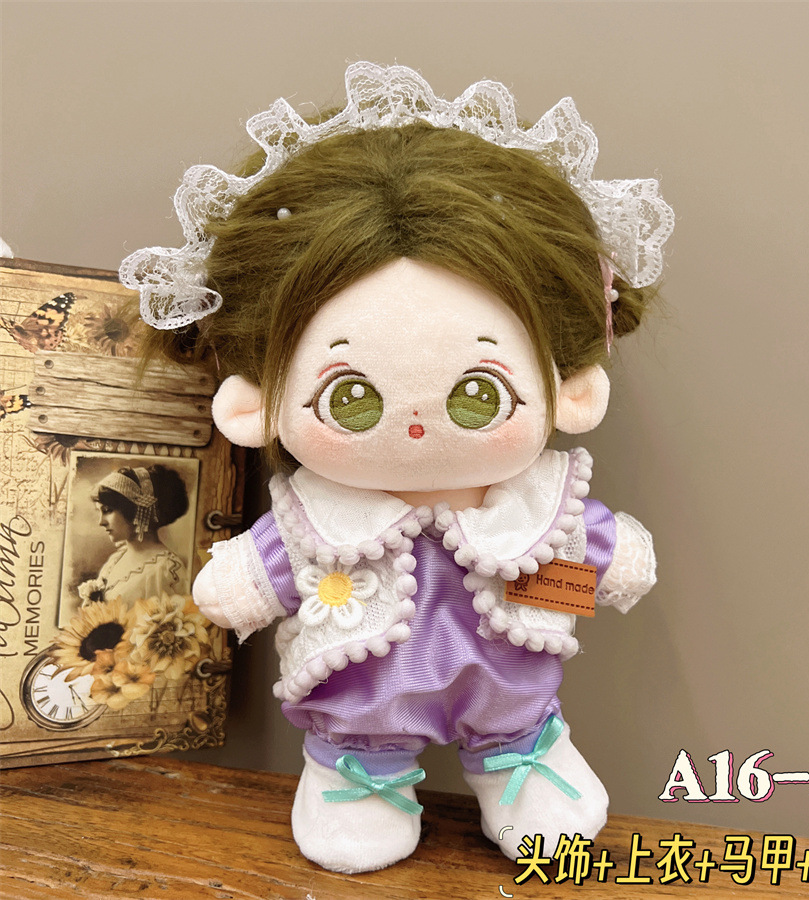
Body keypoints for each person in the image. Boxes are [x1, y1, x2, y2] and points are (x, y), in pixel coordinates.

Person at [121, 62, 673, 874]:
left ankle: (519, 762)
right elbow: (258, 575)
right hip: (358, 721)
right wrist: (239, 582)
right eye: (350, 400)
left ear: (573, 392)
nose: (416, 426)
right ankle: (358, 778)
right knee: (358, 741)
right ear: (255, 406)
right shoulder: (315, 524)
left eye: (479, 396)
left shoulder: (539, 509)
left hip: (516, 706)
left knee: (520, 710)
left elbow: (587, 562)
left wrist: (570, 575)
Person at [82, 464, 190, 606]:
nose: (101, 522)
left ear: (134, 511)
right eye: (99, 512)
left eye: (108, 510)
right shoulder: (114, 561)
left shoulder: (167, 570)